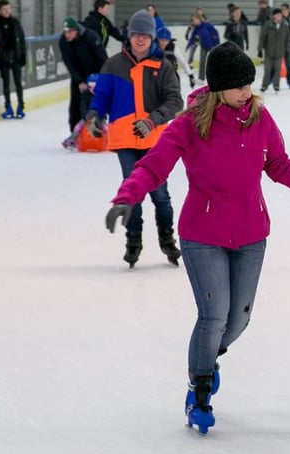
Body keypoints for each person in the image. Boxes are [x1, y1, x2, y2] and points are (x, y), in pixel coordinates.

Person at [104, 42, 290, 435]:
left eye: (249, 83)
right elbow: (154, 164)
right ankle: (200, 391)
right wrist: (127, 197)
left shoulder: (260, 118)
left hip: (250, 234)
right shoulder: (190, 123)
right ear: (217, 88)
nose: (247, 91)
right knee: (213, 318)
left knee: (238, 320)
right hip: (203, 234)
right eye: (238, 85)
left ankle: (206, 361)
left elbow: (280, 164)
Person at [86, 10, 184, 268]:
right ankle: (134, 241)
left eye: (146, 35)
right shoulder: (114, 64)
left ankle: (167, 239)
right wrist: (94, 115)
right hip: (125, 140)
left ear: (152, 37)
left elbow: (175, 101)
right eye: (136, 35)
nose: (141, 40)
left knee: (160, 195)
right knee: (132, 192)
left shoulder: (163, 66)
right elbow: (101, 98)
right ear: (129, 36)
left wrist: (153, 119)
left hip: (155, 141)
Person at [59, 17, 108, 150]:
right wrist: (79, 81)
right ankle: (75, 136)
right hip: (79, 76)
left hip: (96, 73)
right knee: (76, 104)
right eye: (65, 32)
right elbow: (69, 64)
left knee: (100, 104)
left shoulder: (90, 37)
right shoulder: (63, 41)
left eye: (69, 32)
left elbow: (103, 58)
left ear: (76, 31)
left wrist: (102, 79)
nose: (67, 35)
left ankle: (105, 134)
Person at [0, 0, 26, 119]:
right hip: (3, 58)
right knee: (6, 83)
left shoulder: (15, 22)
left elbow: (21, 38)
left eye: (9, 9)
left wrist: (23, 55)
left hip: (16, 57)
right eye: (4, 9)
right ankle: (8, 107)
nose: (7, 11)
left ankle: (20, 107)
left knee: (18, 82)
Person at [258, 8, 290, 93]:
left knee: (277, 70)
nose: (279, 16)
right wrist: (260, 49)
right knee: (267, 70)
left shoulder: (285, 25)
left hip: (280, 52)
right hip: (269, 52)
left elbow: (287, 39)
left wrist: (287, 50)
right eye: (277, 15)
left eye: (280, 15)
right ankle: (264, 85)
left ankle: (276, 85)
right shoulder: (268, 25)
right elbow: (262, 37)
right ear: (274, 16)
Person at [186, 14, 221, 83]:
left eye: (194, 20)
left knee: (214, 61)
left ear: (198, 19)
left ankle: (217, 77)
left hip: (212, 46)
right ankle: (201, 78)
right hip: (203, 46)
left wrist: (217, 43)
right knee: (202, 62)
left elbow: (216, 32)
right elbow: (192, 38)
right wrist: (188, 46)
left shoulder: (207, 25)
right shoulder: (196, 28)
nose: (193, 21)